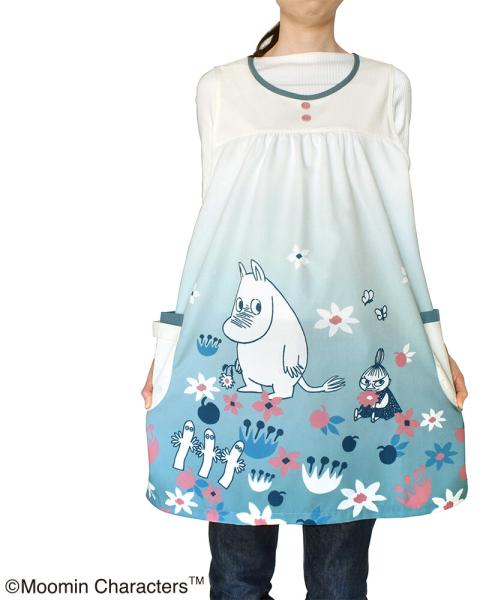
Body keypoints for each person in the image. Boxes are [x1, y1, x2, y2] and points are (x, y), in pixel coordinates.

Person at [141, 1, 469, 598]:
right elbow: (213, 228)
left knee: (339, 578)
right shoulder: (220, 88)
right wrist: (172, 345)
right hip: (232, 347)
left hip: (358, 347)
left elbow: (399, 231)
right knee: (237, 575)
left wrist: (432, 340)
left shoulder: (387, 87)